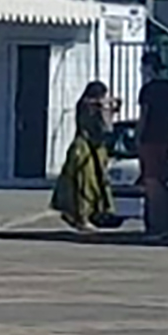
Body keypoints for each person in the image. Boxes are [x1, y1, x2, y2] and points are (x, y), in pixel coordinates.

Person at [51, 80, 116, 232]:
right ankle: (81, 216)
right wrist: (105, 106)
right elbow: (98, 120)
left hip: (94, 147)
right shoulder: (87, 105)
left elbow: (106, 126)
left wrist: (109, 109)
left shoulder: (94, 106)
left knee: (95, 184)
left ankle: (88, 215)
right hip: (84, 148)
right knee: (84, 184)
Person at [137, 53, 168, 241]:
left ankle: (156, 226)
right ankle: (163, 224)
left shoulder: (148, 90)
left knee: (152, 184)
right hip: (166, 140)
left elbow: (144, 116)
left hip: (150, 139)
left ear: (150, 67)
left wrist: (137, 137)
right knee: (162, 181)